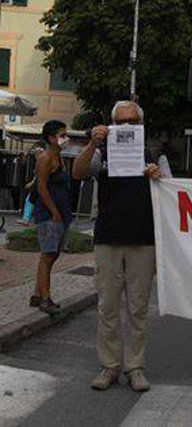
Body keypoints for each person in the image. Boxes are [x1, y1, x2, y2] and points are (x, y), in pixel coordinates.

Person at [72, 100, 171, 393]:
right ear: (112, 124)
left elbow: (173, 193)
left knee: (138, 309)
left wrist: (159, 177)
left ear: (141, 126)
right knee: (107, 307)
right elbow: (77, 173)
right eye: (121, 122)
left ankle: (135, 367)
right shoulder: (101, 152)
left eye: (133, 122)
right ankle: (110, 366)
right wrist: (92, 142)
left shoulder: (155, 154)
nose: (127, 127)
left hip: (143, 240)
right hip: (108, 239)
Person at [31, 121, 73, 314]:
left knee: (51, 254)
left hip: (61, 212)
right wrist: (54, 211)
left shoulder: (59, 157)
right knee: (48, 255)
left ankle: (37, 294)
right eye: (62, 135)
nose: (66, 139)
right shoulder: (46, 158)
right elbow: (41, 187)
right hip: (49, 214)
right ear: (51, 138)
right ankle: (45, 298)